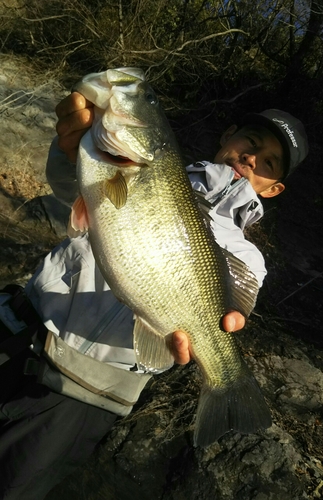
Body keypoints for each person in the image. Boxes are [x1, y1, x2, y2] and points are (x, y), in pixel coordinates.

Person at [0, 87, 309, 499]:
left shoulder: (246, 254)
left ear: (273, 190)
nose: (253, 158)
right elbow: (70, 187)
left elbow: (229, 309)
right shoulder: (150, 168)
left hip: (77, 398)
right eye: (251, 143)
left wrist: (218, 333)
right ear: (228, 136)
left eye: (269, 163)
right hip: (12, 326)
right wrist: (71, 149)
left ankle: (227, 384)